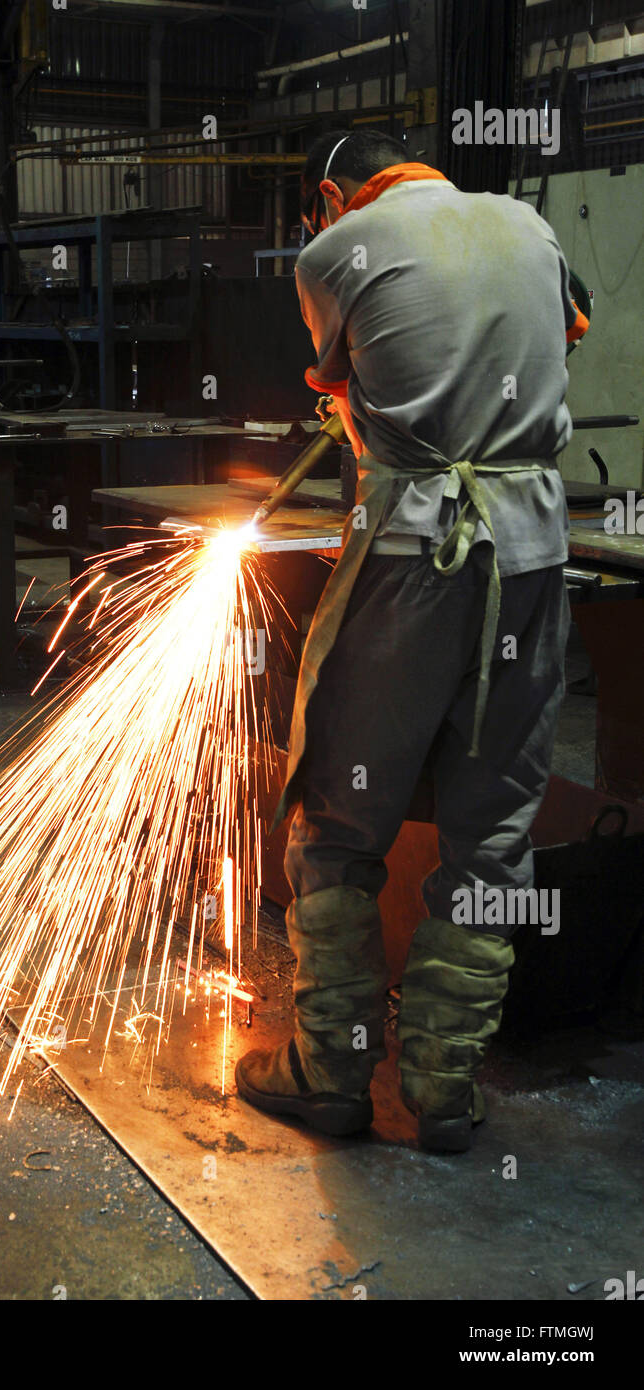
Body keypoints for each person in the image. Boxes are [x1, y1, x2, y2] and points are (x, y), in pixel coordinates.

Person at [235, 129, 589, 1152]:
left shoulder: (332, 251)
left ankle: (329, 1072)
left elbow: (343, 394)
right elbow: (546, 344)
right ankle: (444, 1091)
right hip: (530, 558)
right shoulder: (527, 226)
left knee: (337, 816)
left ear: (331, 197)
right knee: (493, 831)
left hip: (410, 553)